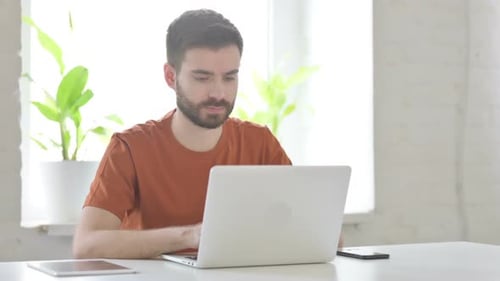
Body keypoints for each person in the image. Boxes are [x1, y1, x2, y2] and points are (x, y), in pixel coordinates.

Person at [72, 9, 291, 259]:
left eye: (229, 78)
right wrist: (190, 237)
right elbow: (87, 245)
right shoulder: (130, 148)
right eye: (202, 78)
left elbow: (319, 235)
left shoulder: (260, 143)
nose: (218, 93)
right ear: (170, 76)